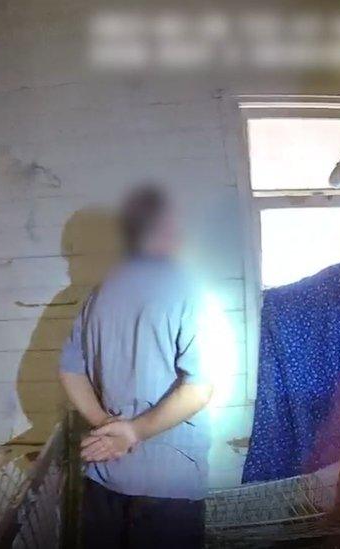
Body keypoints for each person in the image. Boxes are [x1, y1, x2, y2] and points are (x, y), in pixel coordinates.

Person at [59, 184, 215, 548]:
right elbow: (199, 387)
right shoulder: (187, 289)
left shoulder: (97, 297)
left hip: (103, 473)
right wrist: (133, 432)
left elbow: (70, 370)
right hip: (169, 483)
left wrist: (104, 424)